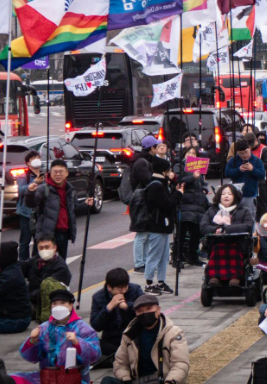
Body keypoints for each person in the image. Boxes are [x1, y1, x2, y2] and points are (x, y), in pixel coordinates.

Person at [14, 290, 101, 384]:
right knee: (13, 379)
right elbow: (31, 358)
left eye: (63, 303)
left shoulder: (82, 328)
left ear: (70, 306)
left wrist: (78, 343)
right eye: (55, 304)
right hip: (47, 377)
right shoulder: (44, 328)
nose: (58, 307)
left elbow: (95, 356)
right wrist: (32, 341)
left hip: (75, 378)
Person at [105, 295, 189, 384]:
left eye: (149, 308)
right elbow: (120, 363)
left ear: (158, 310)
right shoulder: (130, 334)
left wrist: (170, 381)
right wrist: (126, 380)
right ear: (136, 314)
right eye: (140, 311)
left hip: (162, 380)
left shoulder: (173, 333)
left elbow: (181, 364)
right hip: (138, 380)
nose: (145, 313)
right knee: (106, 381)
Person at [24, 159, 94, 260]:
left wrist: (86, 204)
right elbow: (30, 203)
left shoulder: (70, 190)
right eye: (55, 172)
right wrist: (30, 192)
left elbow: (74, 209)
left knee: (60, 265)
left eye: (60, 172)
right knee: (39, 265)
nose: (58, 174)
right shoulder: (43, 189)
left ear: (66, 173)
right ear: (50, 173)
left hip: (63, 233)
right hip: (45, 235)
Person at [199, 184, 255, 288]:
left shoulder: (244, 211)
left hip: (237, 243)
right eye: (223, 194)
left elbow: (248, 226)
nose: (226, 196)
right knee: (217, 249)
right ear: (219, 196)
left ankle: (235, 277)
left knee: (233, 250)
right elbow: (203, 227)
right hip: (216, 243)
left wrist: (227, 229)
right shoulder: (211, 211)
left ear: (235, 196)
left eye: (229, 194)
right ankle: (214, 276)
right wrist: (216, 229)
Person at [143, 157, 183, 295]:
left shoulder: (162, 183)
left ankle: (161, 281)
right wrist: (178, 194)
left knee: (164, 256)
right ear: (164, 171)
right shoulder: (156, 186)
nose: (171, 172)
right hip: (157, 225)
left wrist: (173, 186)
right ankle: (149, 283)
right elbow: (167, 204)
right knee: (154, 255)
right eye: (169, 170)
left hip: (164, 226)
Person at [90, 268, 144, 368]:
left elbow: (145, 309)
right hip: (112, 341)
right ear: (109, 287)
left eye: (125, 287)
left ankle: (115, 359)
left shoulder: (135, 290)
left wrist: (127, 306)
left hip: (133, 338)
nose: (123, 291)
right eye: (119, 288)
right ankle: (116, 358)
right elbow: (96, 326)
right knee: (91, 343)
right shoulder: (98, 297)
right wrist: (109, 307)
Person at [130, 136, 162, 273]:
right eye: (156, 146)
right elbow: (148, 180)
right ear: (151, 148)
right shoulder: (141, 163)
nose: (158, 148)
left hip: (145, 201)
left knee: (147, 233)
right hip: (141, 202)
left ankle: (145, 261)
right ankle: (139, 264)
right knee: (141, 234)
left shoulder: (146, 161)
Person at [20, 235, 72, 319]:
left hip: (46, 305)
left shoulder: (60, 268)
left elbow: (47, 291)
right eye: (41, 248)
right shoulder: (36, 260)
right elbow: (22, 268)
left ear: (54, 248)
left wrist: (26, 296)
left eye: (47, 247)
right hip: (31, 300)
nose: (44, 250)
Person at [175, 148, 210, 266]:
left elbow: (202, 183)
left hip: (198, 205)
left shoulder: (198, 168)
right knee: (182, 234)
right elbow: (178, 181)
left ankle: (193, 256)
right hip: (186, 204)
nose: (191, 155)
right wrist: (192, 177)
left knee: (196, 233)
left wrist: (204, 189)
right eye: (189, 153)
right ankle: (177, 257)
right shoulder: (180, 165)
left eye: (194, 153)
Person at [225, 139, 266, 216]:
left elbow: (262, 175)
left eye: (246, 152)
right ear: (237, 152)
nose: (244, 155)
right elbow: (227, 173)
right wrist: (239, 170)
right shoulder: (233, 160)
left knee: (250, 217)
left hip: (250, 194)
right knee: (235, 216)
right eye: (241, 153)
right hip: (236, 194)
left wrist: (252, 169)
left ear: (250, 148)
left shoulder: (257, 160)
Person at [16, 151, 42, 261]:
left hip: (40, 213)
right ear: (28, 163)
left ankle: (35, 264)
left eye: (38, 158)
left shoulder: (44, 174)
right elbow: (20, 191)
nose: (37, 160)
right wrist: (33, 183)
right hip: (26, 213)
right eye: (33, 158)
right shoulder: (24, 175)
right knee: (24, 241)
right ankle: (23, 264)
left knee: (38, 241)